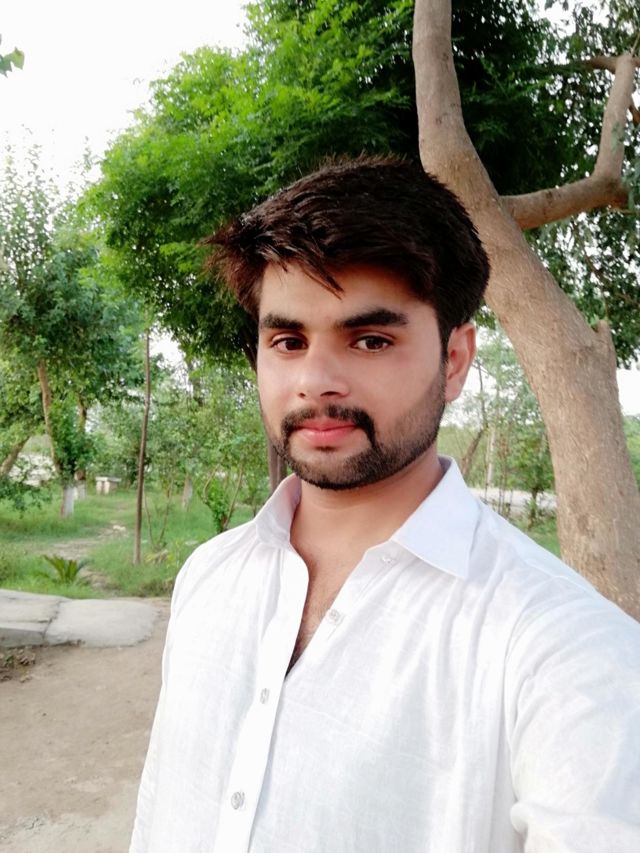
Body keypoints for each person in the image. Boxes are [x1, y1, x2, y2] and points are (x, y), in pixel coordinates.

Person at [130, 157, 640, 853]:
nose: (315, 380)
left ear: (454, 360)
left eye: (371, 340)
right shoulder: (208, 576)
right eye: (288, 341)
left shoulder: (562, 650)